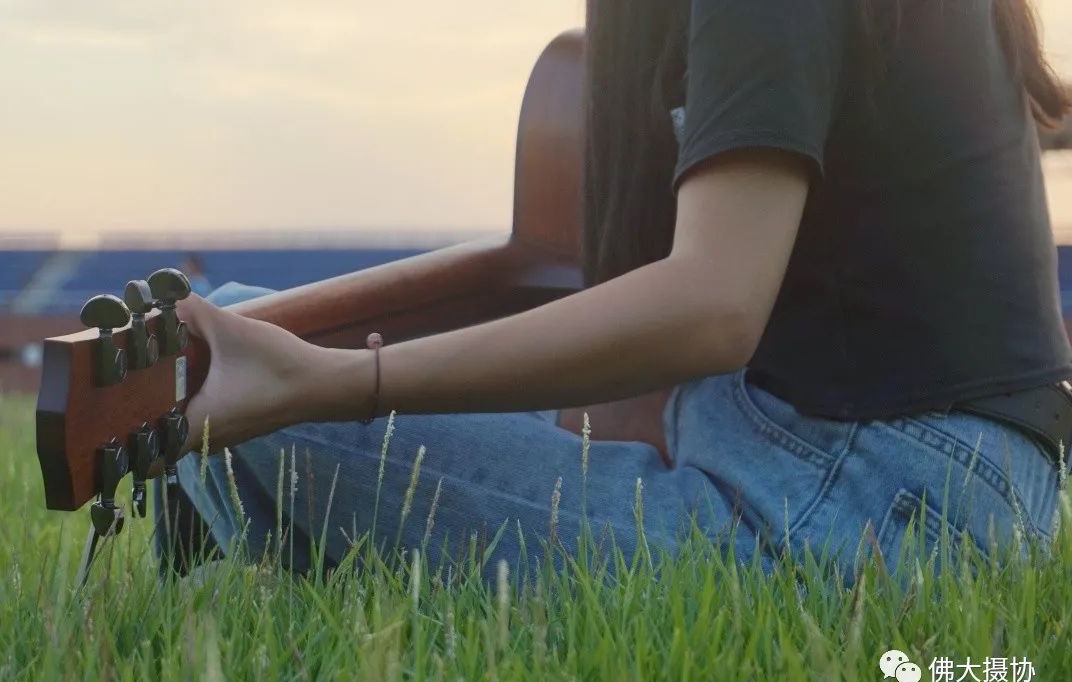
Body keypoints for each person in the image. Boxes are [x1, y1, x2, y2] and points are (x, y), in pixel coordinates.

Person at [159, 0, 1071, 580]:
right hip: (933, 473)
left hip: (864, 506)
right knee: (248, 347)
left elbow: (714, 306)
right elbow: (650, 377)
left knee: (228, 369)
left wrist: (345, 383)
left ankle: (257, 571)